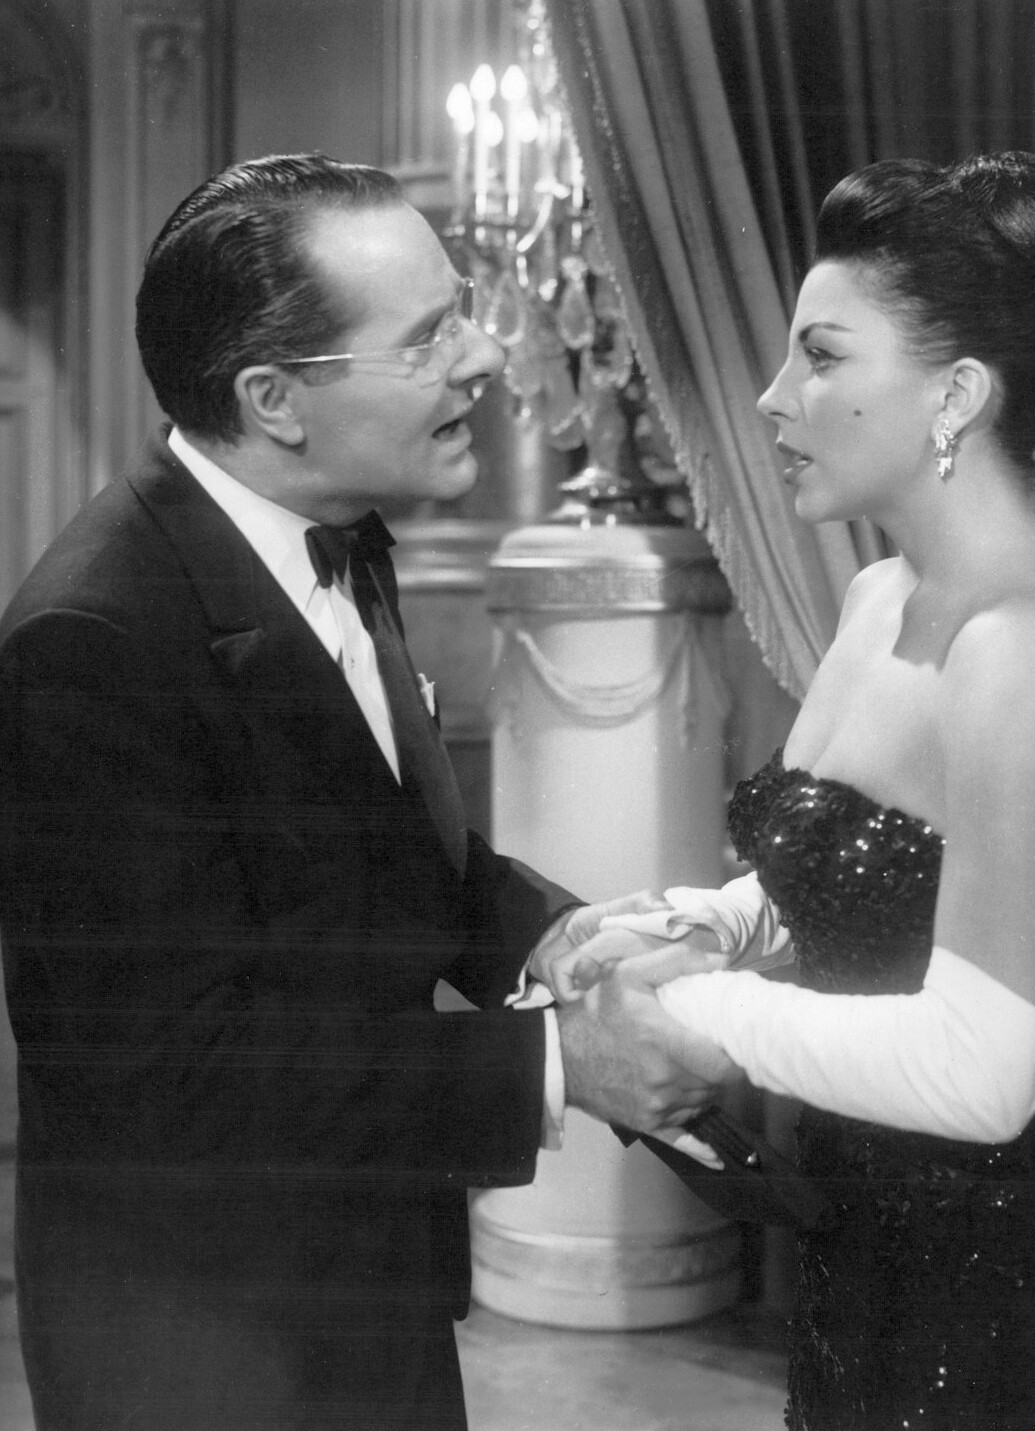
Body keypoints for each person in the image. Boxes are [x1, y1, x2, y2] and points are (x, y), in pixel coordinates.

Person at [0, 152, 732, 1431]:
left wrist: (549, 934)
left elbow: (377, 849)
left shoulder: (333, 537)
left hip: (366, 1279)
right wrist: (559, 1063)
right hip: (200, 1342)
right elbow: (174, 1073)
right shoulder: (90, 643)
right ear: (273, 400)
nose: (483, 357)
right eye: (428, 336)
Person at [545, 152, 1035, 1429]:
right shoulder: (877, 600)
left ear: (955, 395)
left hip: (987, 1273)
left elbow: (986, 1069)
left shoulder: (1029, 648)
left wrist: (700, 1013)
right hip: (857, 1228)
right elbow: (867, 870)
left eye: (820, 356)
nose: (771, 397)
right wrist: (704, 921)